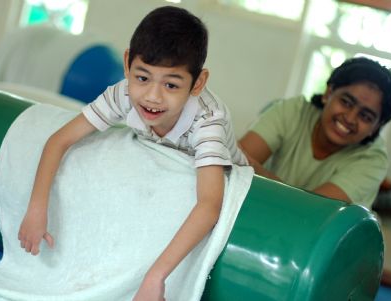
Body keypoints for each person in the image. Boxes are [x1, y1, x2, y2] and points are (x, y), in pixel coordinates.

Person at [17, 6, 247, 300]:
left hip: (234, 167)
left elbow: (209, 204)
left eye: (171, 85)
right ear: (127, 63)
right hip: (168, 159)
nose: (153, 96)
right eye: (143, 78)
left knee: (255, 167)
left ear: (198, 83)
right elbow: (59, 140)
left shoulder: (207, 121)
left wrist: (155, 276)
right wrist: (37, 208)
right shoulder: (122, 94)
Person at [239, 57, 391, 209]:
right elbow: (235, 167)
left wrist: (255, 172)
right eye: (346, 102)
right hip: (263, 210)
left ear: (377, 126)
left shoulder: (373, 160)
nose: (350, 119)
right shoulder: (293, 111)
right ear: (328, 93)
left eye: (365, 116)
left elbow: (311, 210)